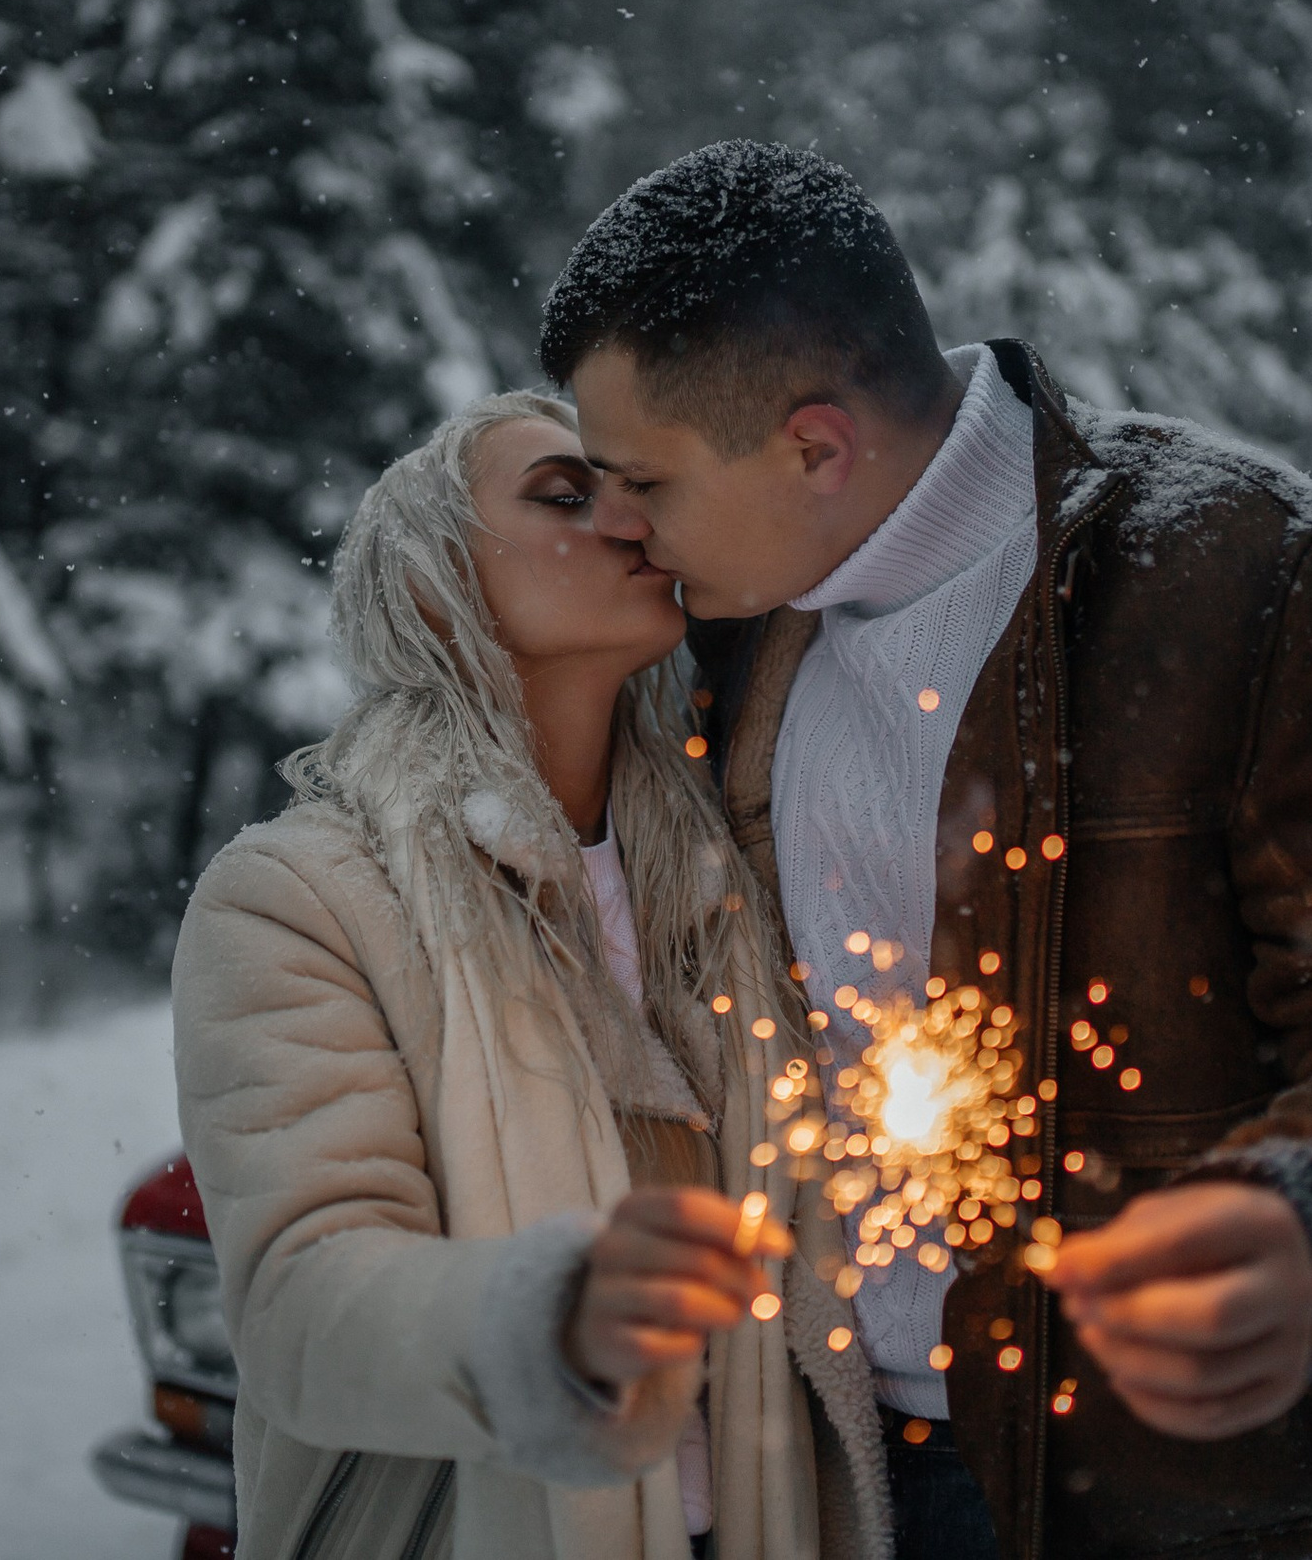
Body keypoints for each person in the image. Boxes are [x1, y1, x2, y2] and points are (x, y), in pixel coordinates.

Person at [540, 141, 1312, 1560]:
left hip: (1166, 1498)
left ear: (813, 445)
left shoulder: (1244, 580)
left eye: (644, 480)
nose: (620, 523)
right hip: (823, 1468)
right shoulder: (724, 635)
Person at [171, 392, 891, 1560]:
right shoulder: (298, 896)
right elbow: (300, 1305)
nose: (625, 519)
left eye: (631, 486)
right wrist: (546, 1318)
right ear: (428, 585)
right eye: (564, 495)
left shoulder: (723, 875)